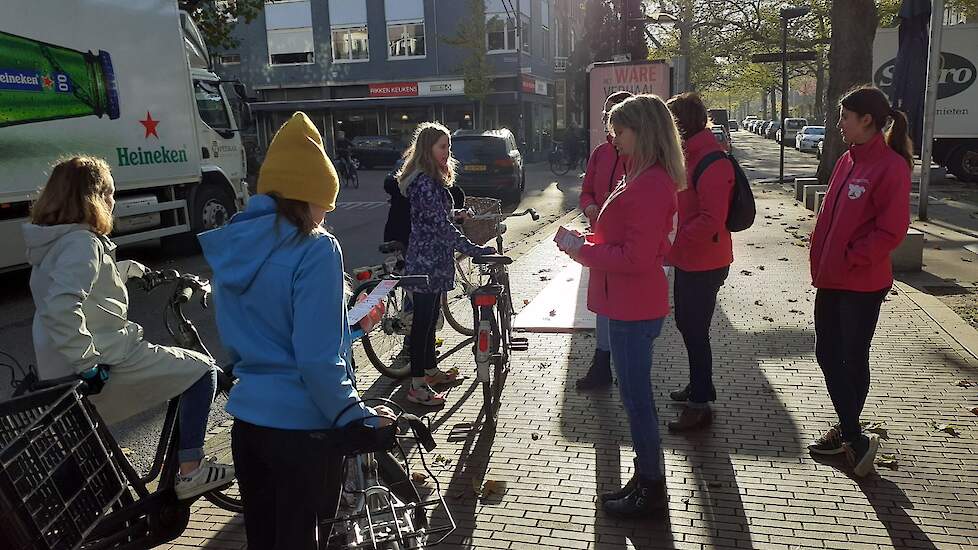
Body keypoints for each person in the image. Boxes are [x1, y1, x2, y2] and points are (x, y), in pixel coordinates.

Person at [199, 112, 393, 548]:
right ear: (308, 194)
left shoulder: (235, 244)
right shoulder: (317, 248)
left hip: (249, 425)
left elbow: (266, 335)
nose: (327, 213)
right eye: (326, 202)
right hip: (303, 429)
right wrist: (355, 415)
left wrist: (351, 326)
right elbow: (315, 359)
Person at [23, 156, 234, 501]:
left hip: (56, 366)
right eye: (109, 195)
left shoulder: (54, 241)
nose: (112, 203)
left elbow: (79, 286)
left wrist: (126, 270)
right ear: (94, 197)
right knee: (201, 371)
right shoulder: (83, 242)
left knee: (85, 443)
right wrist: (87, 364)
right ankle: (192, 470)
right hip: (101, 358)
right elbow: (63, 305)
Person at [557, 95, 683, 518]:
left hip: (632, 307)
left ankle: (652, 487)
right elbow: (624, 243)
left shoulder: (648, 183)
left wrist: (581, 251)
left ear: (641, 132)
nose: (613, 139)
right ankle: (647, 477)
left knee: (638, 401)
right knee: (635, 399)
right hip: (628, 303)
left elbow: (635, 258)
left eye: (619, 131)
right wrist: (588, 243)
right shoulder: (642, 176)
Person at [807, 86, 912, 477]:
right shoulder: (847, 160)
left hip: (862, 283)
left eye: (845, 117)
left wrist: (853, 256)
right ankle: (853, 432)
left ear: (867, 120)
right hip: (831, 278)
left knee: (852, 357)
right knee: (827, 353)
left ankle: (849, 433)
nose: (839, 124)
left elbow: (892, 229)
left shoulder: (891, 166)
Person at [397, 122, 495, 406]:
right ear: (428, 149)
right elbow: (440, 228)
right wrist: (474, 249)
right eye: (442, 146)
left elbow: (437, 218)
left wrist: (454, 213)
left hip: (433, 261)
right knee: (422, 323)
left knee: (428, 322)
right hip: (426, 263)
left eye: (449, 146)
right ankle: (417, 385)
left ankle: (429, 371)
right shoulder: (425, 182)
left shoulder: (429, 178)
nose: (447, 152)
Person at [663, 93, 735, 432]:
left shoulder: (711, 160)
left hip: (705, 261)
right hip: (690, 258)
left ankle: (700, 403)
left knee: (696, 329)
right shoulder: (692, 155)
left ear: (680, 124)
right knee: (689, 326)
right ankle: (698, 385)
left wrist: (674, 238)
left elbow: (711, 218)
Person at [576, 90, 633, 391]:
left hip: (624, 244)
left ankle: (621, 370)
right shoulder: (600, 153)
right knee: (602, 306)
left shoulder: (638, 154)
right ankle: (602, 365)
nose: (610, 125)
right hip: (600, 240)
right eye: (606, 117)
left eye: (615, 118)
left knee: (620, 307)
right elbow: (586, 190)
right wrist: (590, 207)